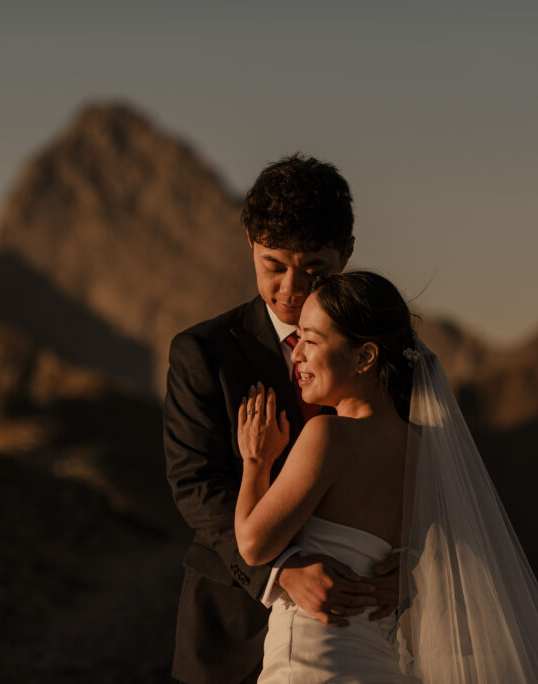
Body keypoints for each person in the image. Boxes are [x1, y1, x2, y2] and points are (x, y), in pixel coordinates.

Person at [235, 271, 538, 683]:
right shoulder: (424, 451)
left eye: (311, 341)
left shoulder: (327, 436)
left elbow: (254, 545)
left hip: (311, 665)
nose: (297, 355)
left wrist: (256, 461)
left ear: (365, 357)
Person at [163, 156, 399, 684]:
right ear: (250, 241)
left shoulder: (383, 358)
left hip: (359, 633)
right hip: (229, 632)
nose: (293, 288)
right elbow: (195, 484)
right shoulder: (203, 352)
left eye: (315, 269)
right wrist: (282, 570)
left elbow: (420, 475)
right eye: (274, 266)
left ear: (347, 252)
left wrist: (412, 567)